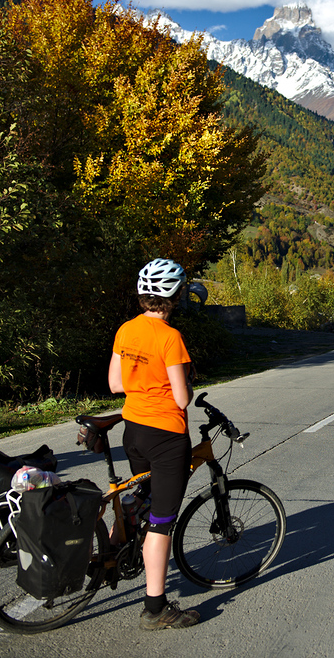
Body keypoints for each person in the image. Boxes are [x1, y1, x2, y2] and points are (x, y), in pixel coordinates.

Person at [108, 258, 200, 630]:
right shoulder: (170, 337)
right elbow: (181, 399)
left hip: (134, 432)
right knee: (162, 524)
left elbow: (116, 384)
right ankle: (155, 608)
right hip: (166, 438)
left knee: (142, 497)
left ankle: (117, 550)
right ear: (175, 295)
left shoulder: (125, 330)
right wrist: (189, 385)